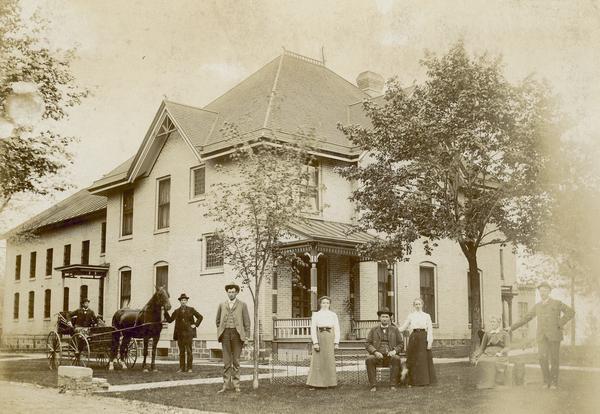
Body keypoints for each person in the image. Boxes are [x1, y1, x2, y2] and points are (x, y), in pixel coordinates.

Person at [507, 281, 574, 389]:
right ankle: (546, 381)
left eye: (545, 290)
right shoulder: (537, 306)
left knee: (554, 359)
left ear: (549, 291)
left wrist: (560, 323)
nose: (542, 293)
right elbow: (526, 318)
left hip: (554, 336)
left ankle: (554, 382)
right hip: (541, 337)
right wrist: (511, 328)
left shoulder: (557, 303)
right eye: (541, 291)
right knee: (542, 358)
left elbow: (571, 312)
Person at [216, 281, 251, 393]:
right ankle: (225, 385)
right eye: (229, 292)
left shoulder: (242, 305)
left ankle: (236, 385)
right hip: (225, 334)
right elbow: (217, 320)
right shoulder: (222, 304)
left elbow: (247, 322)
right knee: (226, 362)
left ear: (236, 293)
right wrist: (222, 329)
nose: (231, 294)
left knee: (236, 361)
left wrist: (246, 337)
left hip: (237, 335)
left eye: (233, 292)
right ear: (227, 292)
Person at [398, 297, 436, 386]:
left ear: (422, 305)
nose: (418, 306)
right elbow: (404, 327)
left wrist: (429, 342)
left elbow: (430, 329)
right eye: (416, 304)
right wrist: (395, 329)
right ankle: (413, 381)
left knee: (423, 360)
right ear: (413, 306)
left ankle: (424, 381)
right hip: (414, 338)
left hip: (423, 337)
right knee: (413, 359)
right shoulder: (411, 316)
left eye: (419, 304)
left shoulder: (427, 316)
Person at [365, 307, 404, 391]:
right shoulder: (373, 330)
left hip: (390, 356)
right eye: (383, 316)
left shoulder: (395, 330)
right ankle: (373, 385)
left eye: (386, 317)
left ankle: (393, 384)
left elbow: (401, 344)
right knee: (369, 359)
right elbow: (367, 343)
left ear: (389, 318)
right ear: (379, 318)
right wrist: (375, 352)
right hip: (378, 356)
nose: (385, 319)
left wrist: (394, 351)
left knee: (396, 358)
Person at [163, 293, 204, 373]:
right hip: (180, 335)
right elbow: (170, 320)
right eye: (182, 300)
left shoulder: (191, 310)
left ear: (187, 301)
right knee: (181, 352)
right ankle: (182, 368)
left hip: (188, 334)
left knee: (189, 351)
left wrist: (195, 325)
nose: (183, 302)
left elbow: (200, 317)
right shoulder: (177, 311)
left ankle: (189, 368)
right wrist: (165, 312)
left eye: (185, 300)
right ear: (180, 301)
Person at [306, 296, 340, 388]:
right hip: (319, 336)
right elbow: (313, 329)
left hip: (330, 337)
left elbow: (337, 328)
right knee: (317, 361)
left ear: (329, 304)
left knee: (329, 360)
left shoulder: (333, 315)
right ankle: (315, 383)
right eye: (323, 303)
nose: (325, 305)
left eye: (327, 303)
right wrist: (315, 342)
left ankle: (330, 383)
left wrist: (336, 342)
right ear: (320, 304)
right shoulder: (316, 315)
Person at [472, 316, 510, 389]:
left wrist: (501, 352)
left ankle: (496, 383)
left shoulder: (504, 334)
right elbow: (482, 347)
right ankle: (485, 383)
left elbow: (507, 347)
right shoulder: (487, 334)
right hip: (487, 353)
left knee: (494, 361)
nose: (492, 323)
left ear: (498, 323)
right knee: (482, 360)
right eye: (491, 322)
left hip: (499, 353)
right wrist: (477, 356)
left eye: (494, 321)